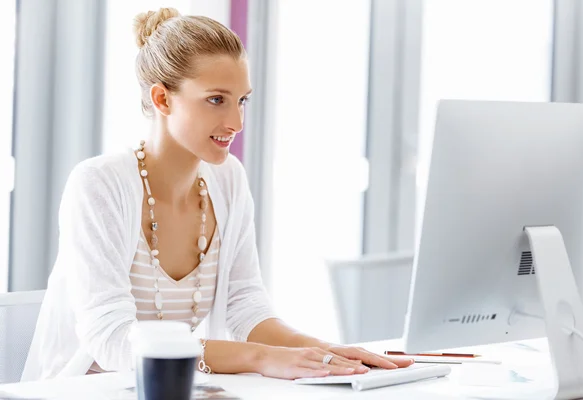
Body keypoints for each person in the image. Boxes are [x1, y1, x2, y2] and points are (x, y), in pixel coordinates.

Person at [22, 8, 413, 381]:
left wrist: (328, 354)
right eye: (216, 100)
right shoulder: (99, 183)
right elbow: (112, 340)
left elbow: (246, 307)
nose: (236, 122)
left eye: (242, 100)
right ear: (162, 99)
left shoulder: (228, 180)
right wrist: (260, 358)